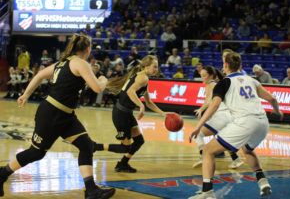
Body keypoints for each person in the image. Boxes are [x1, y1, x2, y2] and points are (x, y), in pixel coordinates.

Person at [0, 34, 115, 199]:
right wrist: (104, 80)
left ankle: (91, 190)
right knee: (36, 153)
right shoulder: (80, 63)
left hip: (66, 115)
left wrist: (26, 95)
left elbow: (39, 75)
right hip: (52, 113)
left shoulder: (62, 63)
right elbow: (97, 88)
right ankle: (2, 174)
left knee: (86, 146)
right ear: (88, 49)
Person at [188, 51, 283, 199]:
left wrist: (198, 126)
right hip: (263, 123)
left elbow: (213, 107)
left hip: (245, 122)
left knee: (207, 150)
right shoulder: (251, 80)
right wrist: (278, 112)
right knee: (247, 149)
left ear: (225, 65)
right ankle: (263, 181)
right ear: (241, 65)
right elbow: (272, 98)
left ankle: (207, 192)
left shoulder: (224, 83)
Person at [93, 55, 170, 173]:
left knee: (139, 141)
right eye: (154, 67)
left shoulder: (144, 78)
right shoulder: (142, 78)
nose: (156, 69)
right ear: (146, 66)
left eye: (157, 67)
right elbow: (130, 92)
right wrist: (141, 105)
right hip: (121, 114)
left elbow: (149, 102)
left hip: (126, 113)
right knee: (125, 147)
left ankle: (122, 164)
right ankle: (94, 147)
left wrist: (162, 113)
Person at [192, 66, 243, 169]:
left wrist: (201, 109)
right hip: (229, 116)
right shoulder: (219, 84)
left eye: (204, 76)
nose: (202, 78)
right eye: (201, 76)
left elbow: (208, 99)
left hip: (221, 116)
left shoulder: (210, 85)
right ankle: (236, 159)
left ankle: (202, 156)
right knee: (221, 138)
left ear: (211, 76)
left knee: (197, 134)